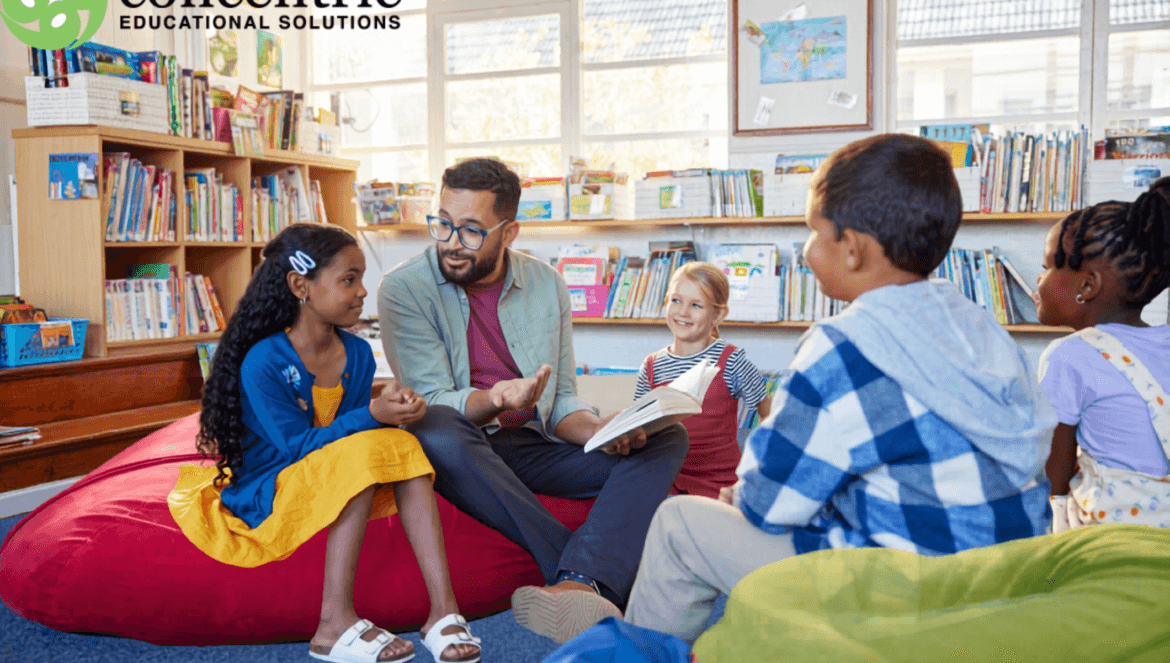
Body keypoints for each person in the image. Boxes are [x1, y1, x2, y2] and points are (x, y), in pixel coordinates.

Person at [602, 133, 1057, 645]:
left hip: (911, 587)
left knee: (678, 524)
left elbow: (769, 504)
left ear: (853, 249)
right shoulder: (979, 325)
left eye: (813, 232)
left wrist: (748, 495)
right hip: (1005, 574)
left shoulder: (842, 345)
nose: (806, 248)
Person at [378, 158, 689, 644]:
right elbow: (431, 399)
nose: (451, 243)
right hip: (458, 450)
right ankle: (580, 569)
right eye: (442, 223)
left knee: (666, 434)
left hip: (529, 447)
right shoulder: (404, 288)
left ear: (510, 231)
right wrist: (496, 398)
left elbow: (562, 397)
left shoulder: (546, 283)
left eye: (471, 231)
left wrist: (597, 428)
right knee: (435, 424)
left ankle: (577, 583)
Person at [169, 223, 482, 663]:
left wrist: (394, 410)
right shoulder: (265, 359)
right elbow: (298, 446)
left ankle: (443, 610)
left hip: (326, 470)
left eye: (361, 279)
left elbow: (352, 431)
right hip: (271, 482)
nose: (361, 293)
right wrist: (373, 415)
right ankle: (333, 622)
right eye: (348, 279)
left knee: (403, 444)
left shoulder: (355, 354)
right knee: (360, 453)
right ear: (301, 286)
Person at [1035, 177, 1170, 531]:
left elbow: (1055, 465)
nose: (1039, 280)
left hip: (1113, 535)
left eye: (1048, 266)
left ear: (1087, 286)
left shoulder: (1070, 354)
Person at [634, 261, 771, 498]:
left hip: (720, 484)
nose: (683, 312)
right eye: (675, 300)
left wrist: (758, 464)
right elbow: (639, 427)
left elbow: (769, 412)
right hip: (666, 479)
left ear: (718, 314)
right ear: (666, 301)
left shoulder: (731, 360)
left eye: (696, 305)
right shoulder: (651, 366)